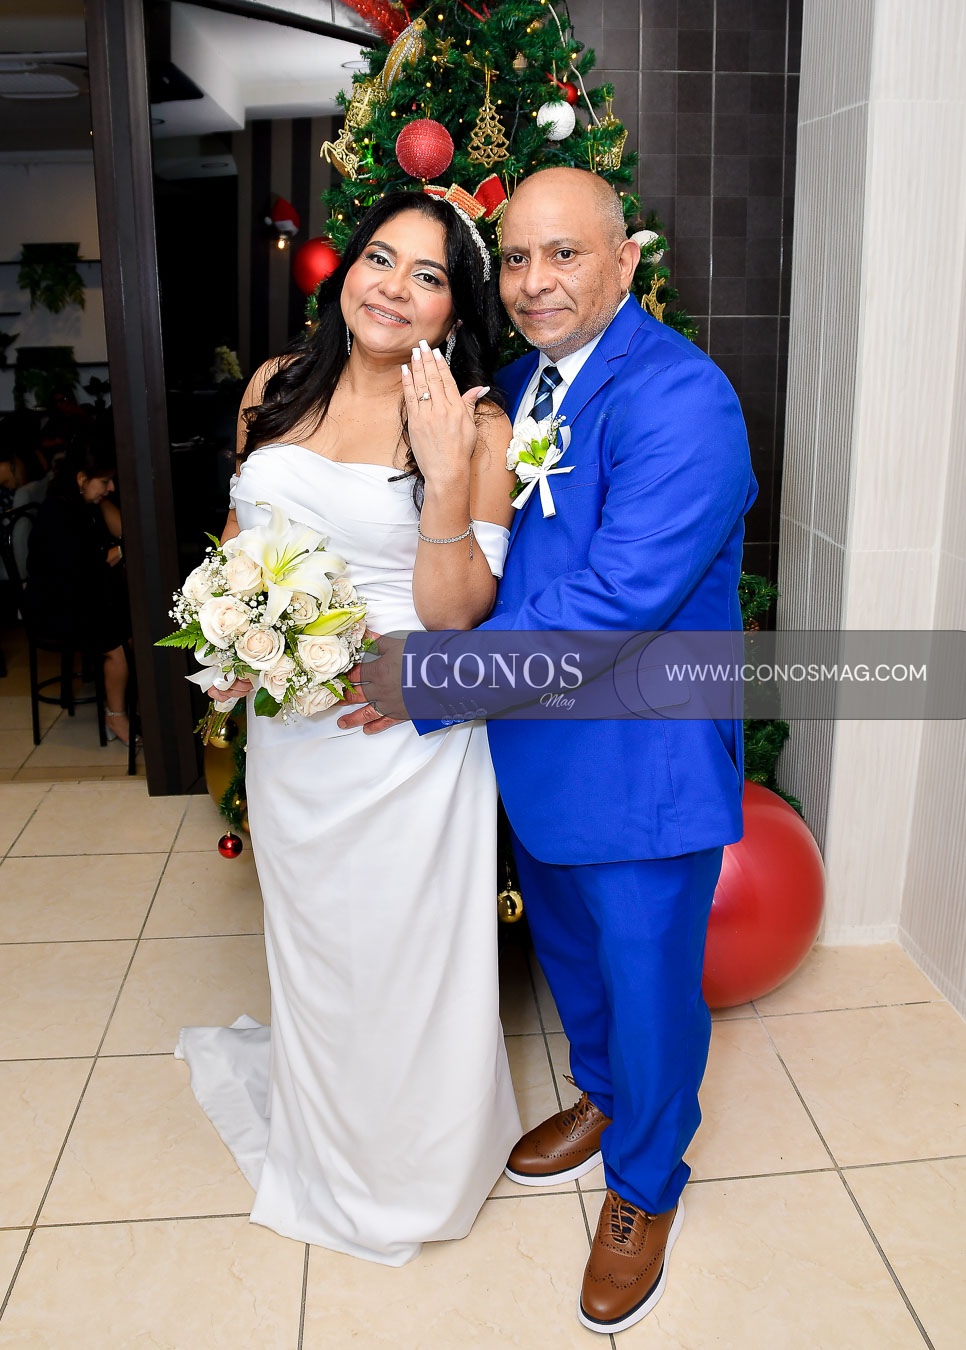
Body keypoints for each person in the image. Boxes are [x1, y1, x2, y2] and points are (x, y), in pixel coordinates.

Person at [342, 166, 758, 1330]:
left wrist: (429, 681)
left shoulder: (684, 398)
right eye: (517, 257)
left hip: (641, 765)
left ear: (626, 261)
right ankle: (606, 1098)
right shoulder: (520, 385)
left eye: (564, 254)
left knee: (650, 987)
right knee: (576, 962)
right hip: (537, 753)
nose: (533, 282)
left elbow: (616, 602)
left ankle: (646, 1183)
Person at [176, 192, 522, 1265]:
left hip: (403, 743)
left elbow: (459, 617)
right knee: (318, 949)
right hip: (291, 737)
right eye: (380, 257)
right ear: (346, 272)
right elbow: (239, 536)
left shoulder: (479, 424)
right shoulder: (275, 387)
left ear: (455, 309)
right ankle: (326, 1149)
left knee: (408, 961)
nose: (394, 287)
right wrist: (228, 643)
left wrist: (444, 473)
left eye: (428, 275)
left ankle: (415, 1170)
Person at [22, 433, 136, 746]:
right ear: (82, 478)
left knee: (130, 626)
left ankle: (127, 703)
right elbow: (84, 568)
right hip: (52, 606)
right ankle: (116, 716)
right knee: (117, 643)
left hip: (76, 594)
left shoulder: (82, 503)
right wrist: (119, 552)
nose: (111, 488)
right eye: (105, 482)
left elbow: (122, 532)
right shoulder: (59, 513)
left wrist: (100, 497)